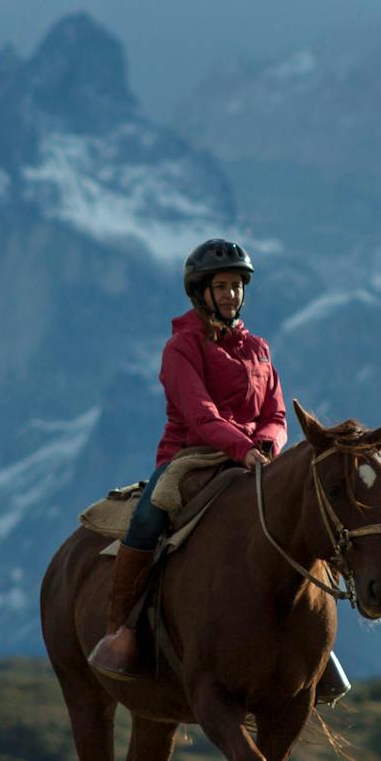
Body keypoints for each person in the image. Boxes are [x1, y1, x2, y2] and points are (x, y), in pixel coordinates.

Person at [88, 239, 288, 678]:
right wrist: (244, 449)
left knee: (302, 516)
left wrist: (269, 448)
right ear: (201, 292)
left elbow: (276, 413)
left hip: (253, 458)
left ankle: (311, 641)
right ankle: (118, 631)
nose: (231, 294)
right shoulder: (181, 346)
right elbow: (200, 416)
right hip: (190, 457)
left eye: (237, 285)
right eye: (221, 286)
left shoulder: (259, 348)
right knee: (147, 518)